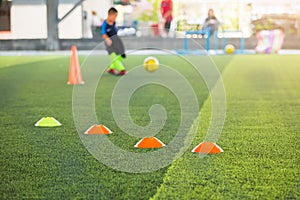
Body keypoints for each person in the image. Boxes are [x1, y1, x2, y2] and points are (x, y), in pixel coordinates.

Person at [102, 7, 126, 76]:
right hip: (109, 43)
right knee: (114, 57)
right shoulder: (105, 24)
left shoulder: (114, 23)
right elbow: (103, 33)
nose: (115, 18)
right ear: (109, 14)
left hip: (117, 41)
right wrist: (107, 39)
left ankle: (111, 68)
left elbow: (116, 31)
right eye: (115, 16)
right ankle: (122, 70)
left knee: (122, 55)